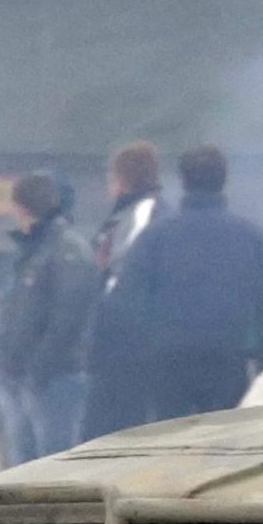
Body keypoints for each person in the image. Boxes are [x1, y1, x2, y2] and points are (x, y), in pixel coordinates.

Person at [115, 145, 263, 420]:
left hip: (167, 363)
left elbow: (128, 299)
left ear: (183, 181)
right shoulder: (252, 238)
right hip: (229, 360)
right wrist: (258, 352)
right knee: (226, 443)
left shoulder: (154, 238)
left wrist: (144, 346)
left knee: (171, 443)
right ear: (224, 180)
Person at [0, 171, 100, 465]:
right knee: (20, 469)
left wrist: (39, 369)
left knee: (54, 469)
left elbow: (69, 318)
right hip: (23, 377)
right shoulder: (34, 249)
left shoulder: (67, 251)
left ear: (21, 206)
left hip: (53, 381)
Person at [80, 141, 166, 439]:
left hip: (123, 346)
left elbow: (123, 272)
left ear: (125, 178)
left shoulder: (144, 212)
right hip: (118, 343)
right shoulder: (125, 213)